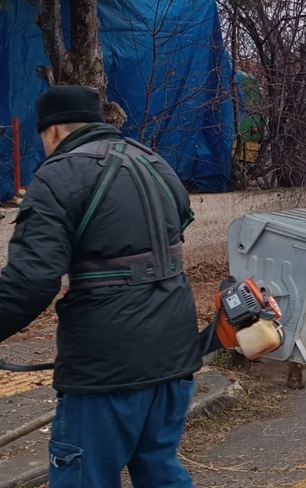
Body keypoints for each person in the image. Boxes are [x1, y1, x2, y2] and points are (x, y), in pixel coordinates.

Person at [0, 86, 200, 487]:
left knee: (83, 478)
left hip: (108, 371)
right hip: (175, 356)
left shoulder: (58, 177)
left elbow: (31, 279)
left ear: (53, 132)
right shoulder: (155, 164)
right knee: (160, 471)